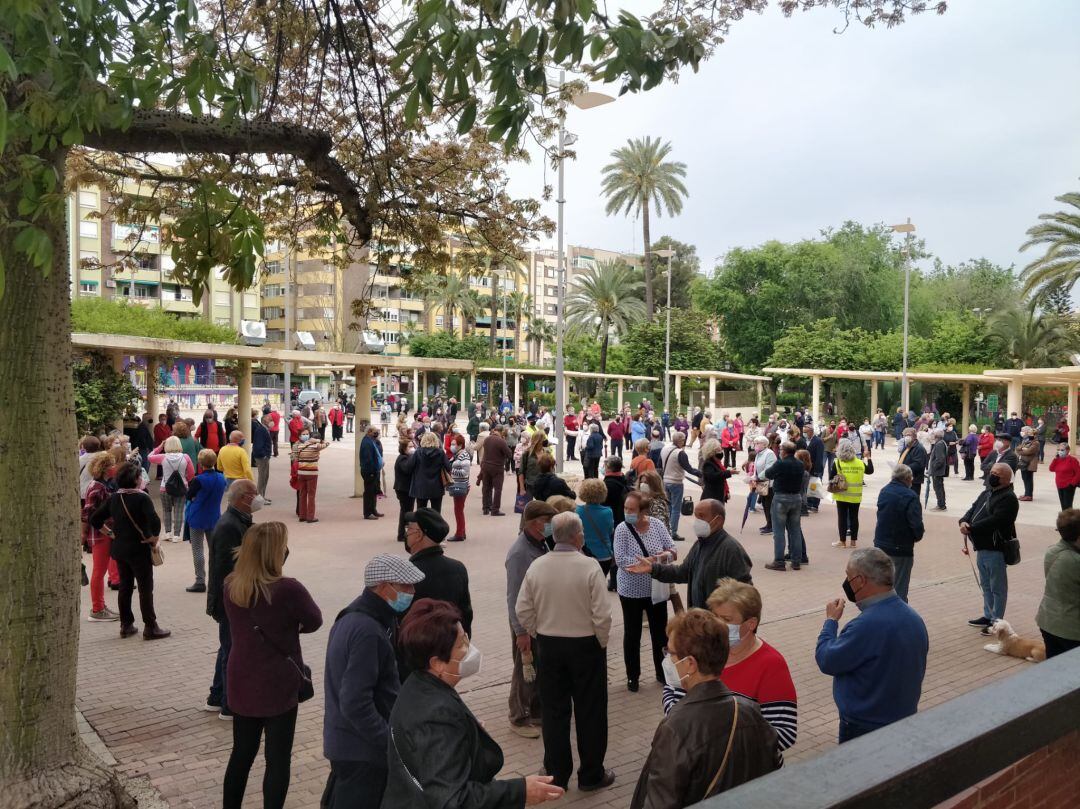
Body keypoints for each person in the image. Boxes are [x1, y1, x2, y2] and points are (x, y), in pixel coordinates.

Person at [383, 599, 565, 808]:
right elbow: (452, 800)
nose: (469, 648)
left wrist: (467, 732)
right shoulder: (436, 715)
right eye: (461, 643)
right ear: (437, 663)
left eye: (466, 637)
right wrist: (521, 791)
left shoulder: (418, 685)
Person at [631, 609, 780, 809]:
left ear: (690, 663)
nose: (667, 660)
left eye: (670, 652)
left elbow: (659, 802)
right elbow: (775, 775)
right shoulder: (750, 711)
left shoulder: (675, 728)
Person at [222, 522, 322, 809]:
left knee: (241, 753)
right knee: (278, 758)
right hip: (278, 680)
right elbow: (314, 621)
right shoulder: (288, 589)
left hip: (242, 675)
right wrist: (289, 627)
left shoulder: (231, 584)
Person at [516, 512, 614, 792]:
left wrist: (539, 633)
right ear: (577, 536)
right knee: (591, 711)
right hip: (586, 646)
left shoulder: (538, 566)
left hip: (549, 646)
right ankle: (591, 774)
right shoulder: (589, 567)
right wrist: (600, 642)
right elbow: (602, 615)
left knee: (554, 712)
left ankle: (557, 774)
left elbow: (522, 608)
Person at [322, 554, 425, 808]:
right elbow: (355, 703)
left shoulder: (370, 617)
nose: (412, 593)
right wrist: (389, 742)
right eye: (405, 586)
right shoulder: (367, 630)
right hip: (362, 754)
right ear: (382, 587)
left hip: (350, 745)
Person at [662, 580, 798, 753]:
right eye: (715, 616)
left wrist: (716, 745)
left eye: (726, 619)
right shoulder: (703, 649)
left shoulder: (771, 664)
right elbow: (673, 688)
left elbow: (785, 733)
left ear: (751, 624)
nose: (718, 624)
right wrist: (680, 723)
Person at [816, 548, 929, 743]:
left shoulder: (866, 626)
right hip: (902, 720)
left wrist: (830, 622)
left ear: (860, 581)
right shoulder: (914, 618)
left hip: (865, 727)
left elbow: (827, 659)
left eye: (848, 577)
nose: (847, 583)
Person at [89, 461, 170, 640]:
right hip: (139, 549)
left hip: (120, 549)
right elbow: (155, 522)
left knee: (125, 587)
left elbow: (95, 519)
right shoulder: (141, 497)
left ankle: (126, 625)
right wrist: (153, 538)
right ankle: (150, 626)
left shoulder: (114, 497)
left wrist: (110, 533)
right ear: (134, 479)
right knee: (145, 588)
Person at [629, 499, 752, 609]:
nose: (697, 522)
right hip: (699, 622)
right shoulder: (699, 545)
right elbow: (682, 573)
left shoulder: (731, 550)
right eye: (696, 517)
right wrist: (653, 568)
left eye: (701, 517)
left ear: (718, 521)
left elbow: (746, 595)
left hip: (718, 626)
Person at [205, 479, 261, 718]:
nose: (257, 497)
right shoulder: (230, 526)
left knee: (227, 647)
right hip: (230, 600)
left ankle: (216, 697)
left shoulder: (238, 521)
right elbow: (227, 569)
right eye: (253, 493)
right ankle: (229, 705)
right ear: (241, 498)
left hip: (230, 598)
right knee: (232, 651)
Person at [505, 500, 558, 739]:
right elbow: (513, 595)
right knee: (523, 668)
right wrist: (520, 632)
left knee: (537, 667)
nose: (551, 526)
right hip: (525, 621)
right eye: (548, 522)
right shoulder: (519, 553)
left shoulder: (540, 543)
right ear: (535, 523)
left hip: (539, 618)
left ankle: (536, 710)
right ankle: (518, 716)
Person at [614, 491, 675, 692]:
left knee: (660, 633)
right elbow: (620, 560)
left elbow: (672, 549)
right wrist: (647, 563)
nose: (627, 513)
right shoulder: (622, 529)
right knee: (633, 634)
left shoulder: (657, 525)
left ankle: (662, 672)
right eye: (626, 508)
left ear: (643, 511)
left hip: (656, 588)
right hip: (630, 590)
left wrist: (662, 557)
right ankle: (633, 676)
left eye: (631, 509)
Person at [960, 463, 1019, 634]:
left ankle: (997, 622)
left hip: (996, 549)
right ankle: (988, 615)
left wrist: (971, 528)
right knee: (985, 584)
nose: (992, 476)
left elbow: (997, 520)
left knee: (997, 587)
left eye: (996, 474)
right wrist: (963, 521)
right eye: (991, 472)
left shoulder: (1009, 498)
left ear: (1007, 479)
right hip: (981, 547)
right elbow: (971, 510)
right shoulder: (986, 493)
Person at [403, 508, 473, 637]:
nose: (407, 534)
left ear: (419, 535)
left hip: (417, 646)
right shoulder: (458, 568)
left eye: (409, 529)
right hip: (451, 644)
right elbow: (466, 613)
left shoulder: (407, 572)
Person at [873, 464, 924, 602]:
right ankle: (897, 618)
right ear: (907, 479)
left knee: (881, 584)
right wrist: (916, 536)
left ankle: (880, 614)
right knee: (899, 587)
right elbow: (916, 524)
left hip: (881, 543)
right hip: (900, 547)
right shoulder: (911, 496)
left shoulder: (884, 490)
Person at [1035, 509, 1080, 658]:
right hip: (1071, 629)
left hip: (1048, 620)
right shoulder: (1074, 560)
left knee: (1055, 668)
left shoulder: (1052, 551)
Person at [82, 452, 120, 620]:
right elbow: (89, 514)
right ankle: (97, 609)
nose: (114, 468)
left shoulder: (101, 485)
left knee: (100, 570)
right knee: (99, 571)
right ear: (105, 468)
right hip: (100, 534)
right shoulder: (97, 487)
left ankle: (100, 606)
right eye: (111, 465)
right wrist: (109, 532)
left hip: (102, 533)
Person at [184, 448, 228, 594]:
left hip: (197, 516)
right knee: (214, 549)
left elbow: (189, 496)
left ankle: (200, 580)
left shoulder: (198, 480)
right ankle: (217, 579)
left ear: (200, 463)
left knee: (197, 549)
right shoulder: (222, 478)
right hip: (214, 516)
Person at [763, 441, 806, 569]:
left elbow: (768, 474)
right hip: (796, 498)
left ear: (784, 451)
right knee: (795, 530)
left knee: (779, 531)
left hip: (781, 497)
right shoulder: (800, 464)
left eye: (781, 449)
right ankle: (796, 561)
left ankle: (779, 561)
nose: (780, 451)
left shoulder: (781, 463)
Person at [829, 438, 874, 549]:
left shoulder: (837, 462)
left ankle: (842, 542)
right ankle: (853, 542)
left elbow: (831, 477)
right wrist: (868, 457)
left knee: (842, 518)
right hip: (856, 495)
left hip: (842, 494)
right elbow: (870, 471)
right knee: (854, 517)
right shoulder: (859, 462)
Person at [148, 435, 195, 541]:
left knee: (166, 510)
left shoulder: (163, 457)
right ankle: (176, 535)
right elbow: (191, 474)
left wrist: (160, 446)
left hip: (165, 487)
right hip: (182, 488)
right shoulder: (186, 457)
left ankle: (168, 533)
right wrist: (184, 479)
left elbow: (149, 457)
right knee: (179, 511)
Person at [659, 431, 700, 540]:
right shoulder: (680, 453)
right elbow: (689, 469)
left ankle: (666, 531)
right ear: (681, 440)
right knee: (676, 509)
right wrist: (701, 474)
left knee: (668, 508)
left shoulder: (664, 449)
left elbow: (659, 465)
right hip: (676, 482)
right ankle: (673, 533)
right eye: (683, 440)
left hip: (665, 481)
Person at [404, 430, 452, 513]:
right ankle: (435, 526)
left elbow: (408, 468)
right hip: (437, 486)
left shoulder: (418, 452)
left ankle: (423, 526)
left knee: (421, 512)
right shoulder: (440, 453)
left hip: (420, 486)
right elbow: (448, 467)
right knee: (436, 512)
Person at [577, 478, 615, 576]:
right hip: (604, 555)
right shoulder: (607, 512)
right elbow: (610, 531)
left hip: (584, 553)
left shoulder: (577, 511)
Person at [290, 429, 329, 523]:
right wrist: (318, 441)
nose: (305, 435)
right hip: (312, 473)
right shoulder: (316, 446)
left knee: (302, 494)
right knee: (311, 495)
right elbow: (327, 443)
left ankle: (302, 515)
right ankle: (310, 517)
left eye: (307, 434)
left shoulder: (299, 446)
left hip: (301, 473)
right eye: (304, 434)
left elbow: (295, 458)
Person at [479, 424, 512, 516]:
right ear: (501, 432)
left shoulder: (487, 439)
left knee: (486, 487)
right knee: (498, 489)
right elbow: (509, 454)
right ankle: (495, 510)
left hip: (485, 465)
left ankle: (486, 508)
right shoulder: (501, 441)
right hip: (497, 467)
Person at [753, 436, 777, 536]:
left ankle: (772, 526)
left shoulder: (769, 453)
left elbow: (769, 469)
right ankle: (768, 524)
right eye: (755, 443)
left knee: (769, 505)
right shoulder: (759, 454)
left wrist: (758, 477)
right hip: (761, 483)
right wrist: (753, 477)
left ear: (764, 444)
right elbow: (756, 468)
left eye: (757, 443)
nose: (756, 445)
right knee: (764, 504)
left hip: (769, 484)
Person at [359, 426, 385, 520]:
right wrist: (372, 471)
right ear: (369, 432)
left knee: (374, 491)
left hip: (374, 471)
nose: (377, 433)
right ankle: (368, 513)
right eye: (375, 432)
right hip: (369, 471)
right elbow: (367, 459)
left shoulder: (371, 440)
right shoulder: (366, 442)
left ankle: (373, 510)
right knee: (369, 492)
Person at [249, 412, 273, 503]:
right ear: (264, 421)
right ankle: (260, 497)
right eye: (270, 419)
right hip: (262, 458)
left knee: (265, 477)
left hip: (264, 457)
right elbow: (258, 445)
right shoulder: (261, 430)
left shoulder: (264, 429)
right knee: (262, 477)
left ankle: (262, 496)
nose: (271, 421)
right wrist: (264, 455)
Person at [1050, 443, 1080, 510]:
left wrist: (1072, 484)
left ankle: (1070, 519)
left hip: (1069, 486)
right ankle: (1065, 519)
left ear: (1068, 450)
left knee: (1068, 506)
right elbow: (1051, 469)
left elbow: (1078, 473)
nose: (1060, 451)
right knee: (1063, 505)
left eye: (1062, 450)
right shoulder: (1057, 459)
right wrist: (1055, 459)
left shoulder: (1072, 460)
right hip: (1059, 485)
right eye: (1058, 450)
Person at [1015, 427, 1039, 502]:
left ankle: (1029, 495)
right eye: (1028, 433)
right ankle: (1026, 494)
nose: (1029, 435)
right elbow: (1017, 448)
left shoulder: (1035, 443)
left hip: (1029, 463)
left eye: (1030, 434)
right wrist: (1022, 449)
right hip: (1024, 462)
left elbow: (1028, 452)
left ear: (1034, 435)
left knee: (1028, 479)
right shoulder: (1026, 441)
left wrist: (1021, 450)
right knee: (1025, 479)